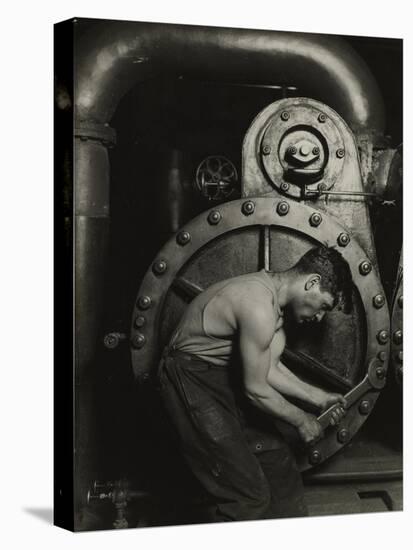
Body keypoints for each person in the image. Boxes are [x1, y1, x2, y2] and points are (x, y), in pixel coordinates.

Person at [157, 245, 353, 522]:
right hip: (188, 377)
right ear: (312, 282)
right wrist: (301, 419)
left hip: (219, 376)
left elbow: (268, 368)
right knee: (248, 494)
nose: (319, 317)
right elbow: (255, 389)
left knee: (279, 466)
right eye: (323, 306)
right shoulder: (258, 304)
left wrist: (319, 397)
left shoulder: (275, 309)